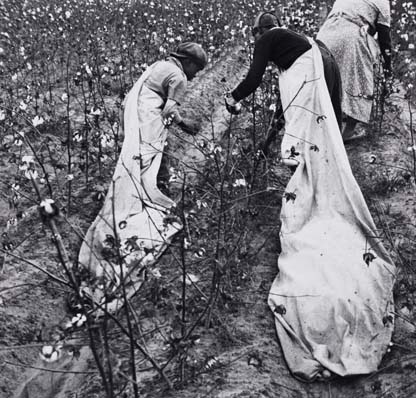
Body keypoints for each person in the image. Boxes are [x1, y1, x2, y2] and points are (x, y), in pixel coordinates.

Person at [227, 12, 396, 382]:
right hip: (320, 74)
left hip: (313, 75)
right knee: (307, 143)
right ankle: (307, 187)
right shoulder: (298, 48)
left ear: (259, 32)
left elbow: (254, 78)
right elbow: (285, 109)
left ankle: (304, 197)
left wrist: (233, 97)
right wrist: (266, 144)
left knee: (301, 148)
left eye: (256, 38)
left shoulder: (269, 39)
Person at [78, 42, 207, 312]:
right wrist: (188, 126)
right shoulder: (179, 76)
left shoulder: (160, 66)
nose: (196, 76)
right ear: (190, 63)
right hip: (147, 119)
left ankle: (141, 194)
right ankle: (139, 205)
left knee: (134, 166)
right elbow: (170, 111)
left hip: (133, 117)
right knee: (143, 168)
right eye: (197, 69)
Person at [317, 0, 392, 142]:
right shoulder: (382, 2)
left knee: (326, 80)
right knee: (358, 80)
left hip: (325, 34)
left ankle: (323, 129)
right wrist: (388, 70)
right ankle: (347, 132)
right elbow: (384, 39)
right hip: (349, 36)